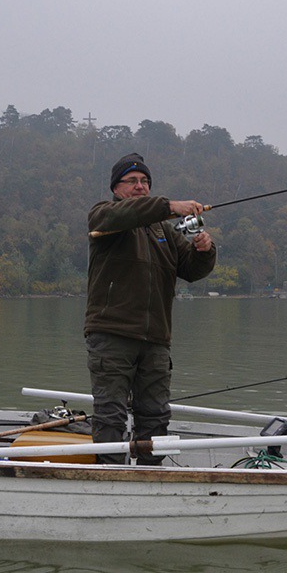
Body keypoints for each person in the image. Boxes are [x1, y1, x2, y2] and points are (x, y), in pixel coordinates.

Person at [85, 152, 216, 463]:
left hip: (156, 339)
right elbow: (123, 216)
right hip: (112, 334)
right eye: (132, 181)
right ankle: (109, 478)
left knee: (156, 416)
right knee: (110, 414)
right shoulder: (104, 216)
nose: (140, 187)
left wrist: (204, 250)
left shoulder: (164, 231)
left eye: (145, 182)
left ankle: (150, 477)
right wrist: (169, 205)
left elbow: (192, 270)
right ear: (116, 188)